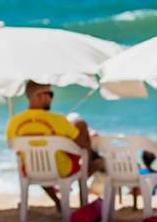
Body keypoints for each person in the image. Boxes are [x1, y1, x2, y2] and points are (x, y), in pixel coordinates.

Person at [6, 81, 99, 209]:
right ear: (38, 96)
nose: (51, 98)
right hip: (63, 171)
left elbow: (12, 146)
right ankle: (83, 199)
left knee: (38, 162)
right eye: (50, 93)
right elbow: (82, 145)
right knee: (81, 127)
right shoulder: (58, 120)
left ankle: (58, 202)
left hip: (29, 170)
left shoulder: (13, 122)